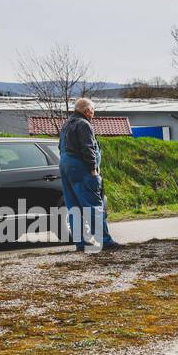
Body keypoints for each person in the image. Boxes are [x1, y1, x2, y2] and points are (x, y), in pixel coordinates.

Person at [58, 97, 118, 252]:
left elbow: (60, 146)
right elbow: (88, 147)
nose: (94, 114)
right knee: (92, 205)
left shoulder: (66, 124)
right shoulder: (84, 124)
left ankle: (80, 243)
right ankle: (104, 241)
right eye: (93, 110)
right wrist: (93, 169)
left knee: (73, 206)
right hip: (80, 167)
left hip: (65, 166)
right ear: (86, 111)